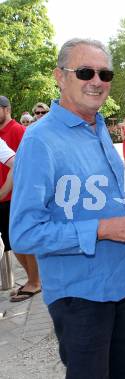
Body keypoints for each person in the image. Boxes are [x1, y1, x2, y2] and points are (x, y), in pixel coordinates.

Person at [9, 38, 125, 378]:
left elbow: (106, 200)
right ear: (60, 76)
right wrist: (102, 229)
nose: (97, 81)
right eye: (85, 71)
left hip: (119, 286)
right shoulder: (40, 140)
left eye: (105, 74)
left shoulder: (100, 128)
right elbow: (24, 234)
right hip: (79, 297)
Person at [0, 95, 41, 302]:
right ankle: (32, 279)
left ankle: (35, 281)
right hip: (5, 197)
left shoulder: (17, 130)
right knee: (11, 243)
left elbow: (25, 163)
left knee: (21, 241)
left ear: (6, 109)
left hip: (15, 196)